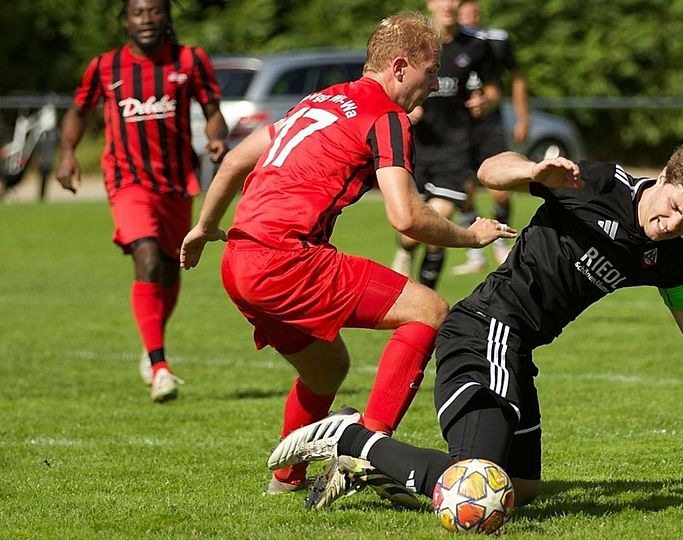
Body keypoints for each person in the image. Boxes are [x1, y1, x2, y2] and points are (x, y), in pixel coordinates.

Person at [268, 139, 683, 510]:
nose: (672, 223)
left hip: (520, 350)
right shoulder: (600, 184)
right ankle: (352, 435)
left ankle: (377, 468)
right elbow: (490, 170)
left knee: (523, 490)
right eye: (673, 206)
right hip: (486, 329)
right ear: (666, 177)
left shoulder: (671, 253)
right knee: (478, 482)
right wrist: (533, 171)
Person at [179, 11, 515, 495]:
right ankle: (367, 454)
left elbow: (234, 158)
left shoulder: (325, 98)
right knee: (429, 309)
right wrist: (472, 234)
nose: (436, 80)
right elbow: (406, 217)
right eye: (430, 68)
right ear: (400, 66)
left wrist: (204, 227)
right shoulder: (388, 116)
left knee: (328, 369)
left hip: (239, 260)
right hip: (286, 259)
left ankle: (286, 479)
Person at [55, 0, 227, 403]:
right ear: (125, 20)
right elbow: (78, 111)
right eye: (138, 12)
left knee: (170, 271)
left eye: (154, 11)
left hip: (175, 184)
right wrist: (66, 152)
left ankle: (151, 347)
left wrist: (217, 138)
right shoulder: (105, 67)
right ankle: (160, 365)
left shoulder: (190, 59)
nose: (146, 20)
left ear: (166, 17)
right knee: (146, 256)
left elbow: (213, 110)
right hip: (127, 181)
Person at [390, 0, 501, 289]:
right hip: (415, 148)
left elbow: (493, 91)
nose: (449, 4)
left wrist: (484, 101)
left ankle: (423, 299)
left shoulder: (477, 45)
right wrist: (405, 108)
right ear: (430, 3)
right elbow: (389, 85)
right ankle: (404, 250)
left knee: (438, 220)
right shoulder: (412, 43)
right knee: (412, 232)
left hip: (456, 147)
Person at [452, 0, 531, 275]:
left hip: (489, 125)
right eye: (465, 13)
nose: (470, 17)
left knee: (500, 190)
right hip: (459, 128)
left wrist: (523, 118)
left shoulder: (495, 42)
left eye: (474, 12)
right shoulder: (446, 44)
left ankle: (501, 241)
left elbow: (516, 78)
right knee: (464, 190)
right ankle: (474, 253)